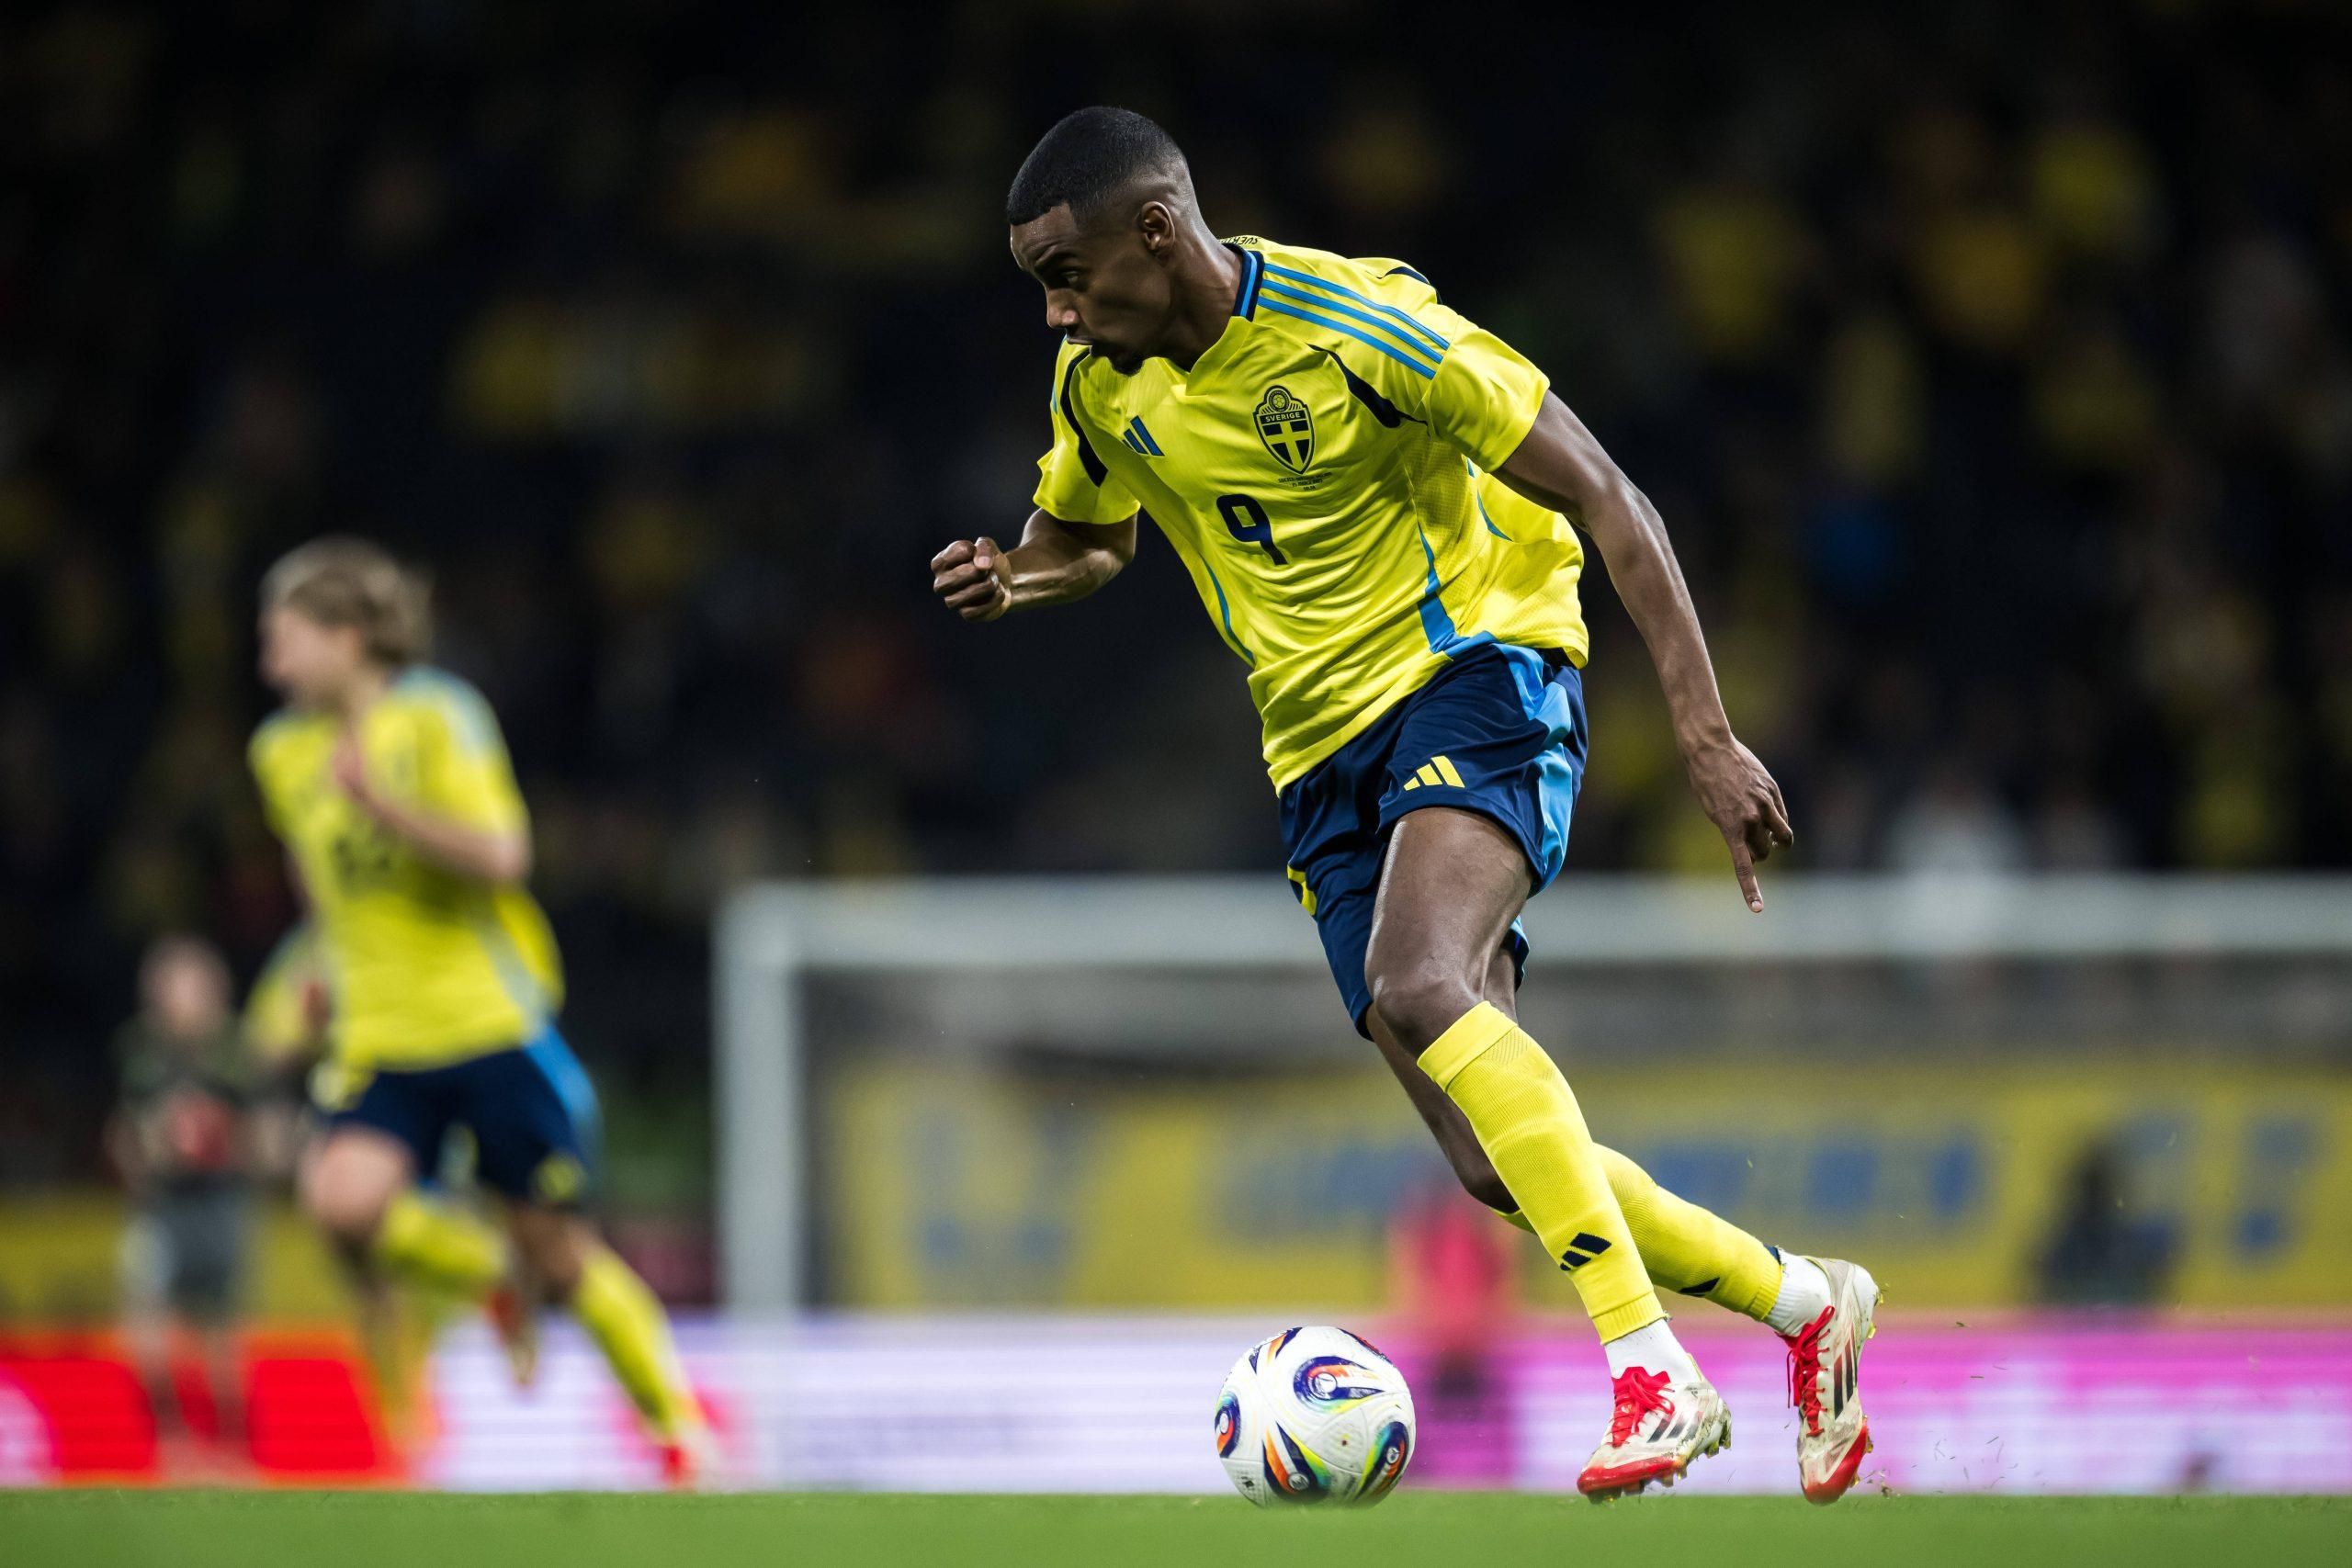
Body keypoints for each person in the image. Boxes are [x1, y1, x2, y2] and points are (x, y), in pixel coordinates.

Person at [932, 107, 1879, 1502]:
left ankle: (1651, 1369)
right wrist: (1019, 575)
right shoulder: (1098, 387)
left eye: (1067, 275)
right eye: (1039, 287)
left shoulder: (1358, 325)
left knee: (1420, 981)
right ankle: (1806, 1304)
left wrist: (1704, 735)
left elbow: (1611, 495)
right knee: (1492, 1164)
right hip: (1315, 754)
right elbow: (1088, 532)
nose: (1057, 314)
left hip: (1477, 666)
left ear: (1158, 230)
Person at [247, 537, 708, 1482]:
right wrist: (314, 971)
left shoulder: (437, 717)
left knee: (564, 1259)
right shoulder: (281, 752)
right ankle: (494, 1281)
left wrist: (386, 806)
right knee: (340, 1202)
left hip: (487, 1024)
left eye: (285, 639)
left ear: (348, 635)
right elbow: (317, 882)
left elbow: (503, 855)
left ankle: (681, 1435)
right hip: (379, 1035)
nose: (271, 664)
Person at [109, 935, 264, 1475]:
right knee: (145, 1320)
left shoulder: (236, 1052)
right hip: (160, 1205)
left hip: (219, 1203)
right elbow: (123, 1131)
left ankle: (232, 1449)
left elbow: (266, 1136)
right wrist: (145, 1150)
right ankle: (173, 1442)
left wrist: (219, 1141)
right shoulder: (139, 1050)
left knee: (221, 1331)